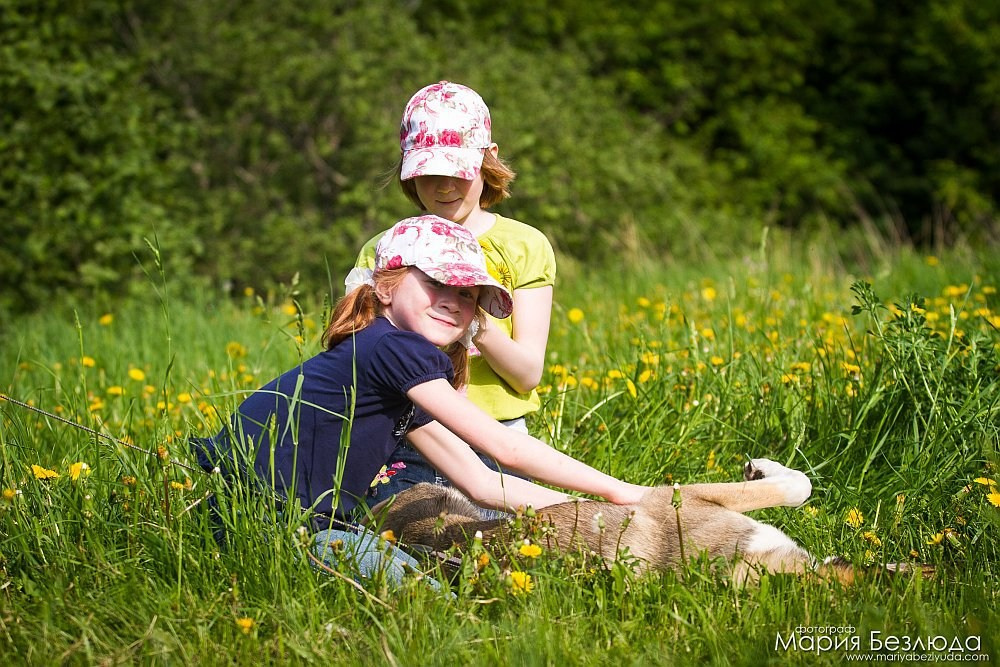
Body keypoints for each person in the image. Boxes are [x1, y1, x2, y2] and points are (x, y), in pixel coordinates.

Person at [198, 216, 647, 588]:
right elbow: (505, 448)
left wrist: (585, 514)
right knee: (428, 597)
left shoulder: (389, 366)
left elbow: (482, 482)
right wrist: (621, 492)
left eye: (467, 294)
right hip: (266, 527)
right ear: (386, 287)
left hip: (283, 524)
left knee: (441, 582)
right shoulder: (392, 347)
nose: (452, 302)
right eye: (435, 283)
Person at [351, 81, 556, 510]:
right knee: (405, 538)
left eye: (457, 171)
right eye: (428, 174)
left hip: (498, 437)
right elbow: (364, 358)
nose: (443, 187)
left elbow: (526, 374)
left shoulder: (524, 245)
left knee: (503, 542)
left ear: (489, 158)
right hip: (406, 437)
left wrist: (472, 323)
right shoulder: (385, 248)